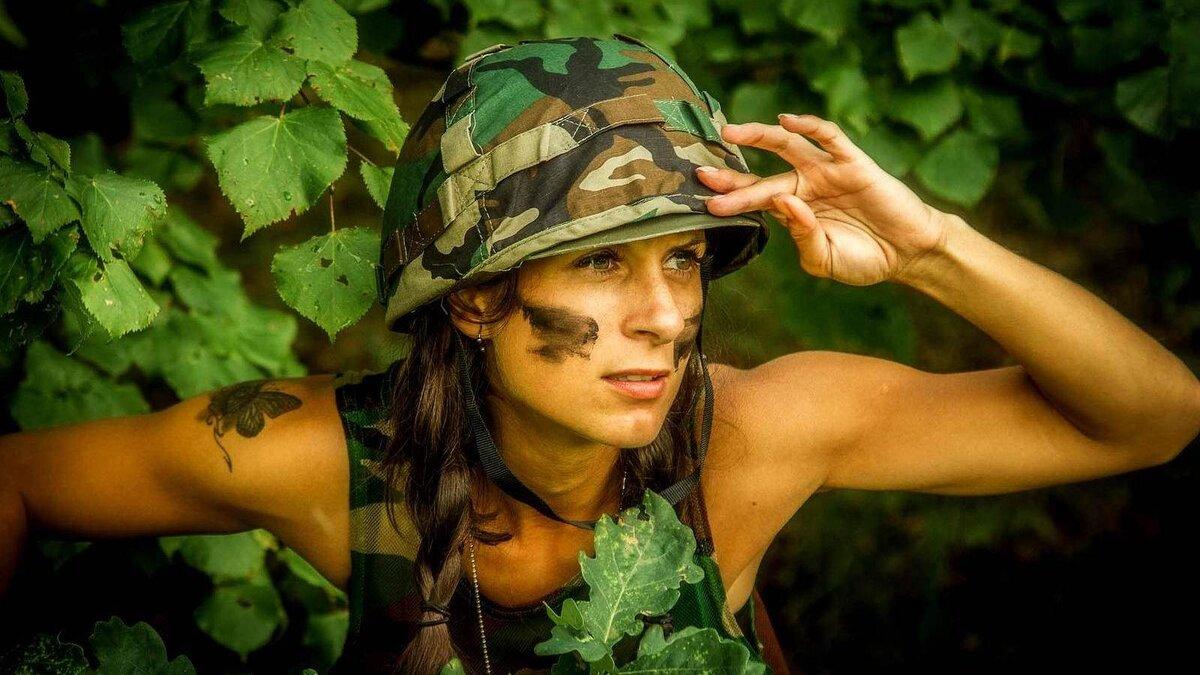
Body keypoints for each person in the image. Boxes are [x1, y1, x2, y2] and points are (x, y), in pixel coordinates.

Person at [2, 34, 1197, 675]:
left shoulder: (753, 440)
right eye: (601, 263)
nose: (667, 315)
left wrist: (933, 249)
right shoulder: (326, 462)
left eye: (682, 260)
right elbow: (18, 480)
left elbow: (1154, 417)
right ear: (475, 300)